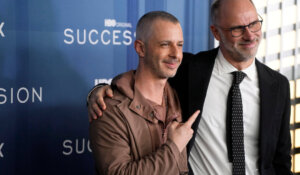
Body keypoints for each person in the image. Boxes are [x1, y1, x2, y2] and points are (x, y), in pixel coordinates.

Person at [88, 0, 292, 174]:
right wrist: (100, 92)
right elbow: (145, 75)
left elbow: (280, 160)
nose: (250, 35)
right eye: (237, 28)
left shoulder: (278, 85)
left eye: (254, 23)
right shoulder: (188, 69)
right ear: (216, 32)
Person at [89, 11, 200, 175]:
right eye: (164, 44)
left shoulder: (182, 94)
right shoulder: (109, 109)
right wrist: (174, 147)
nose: (176, 54)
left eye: (180, 44)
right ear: (140, 48)